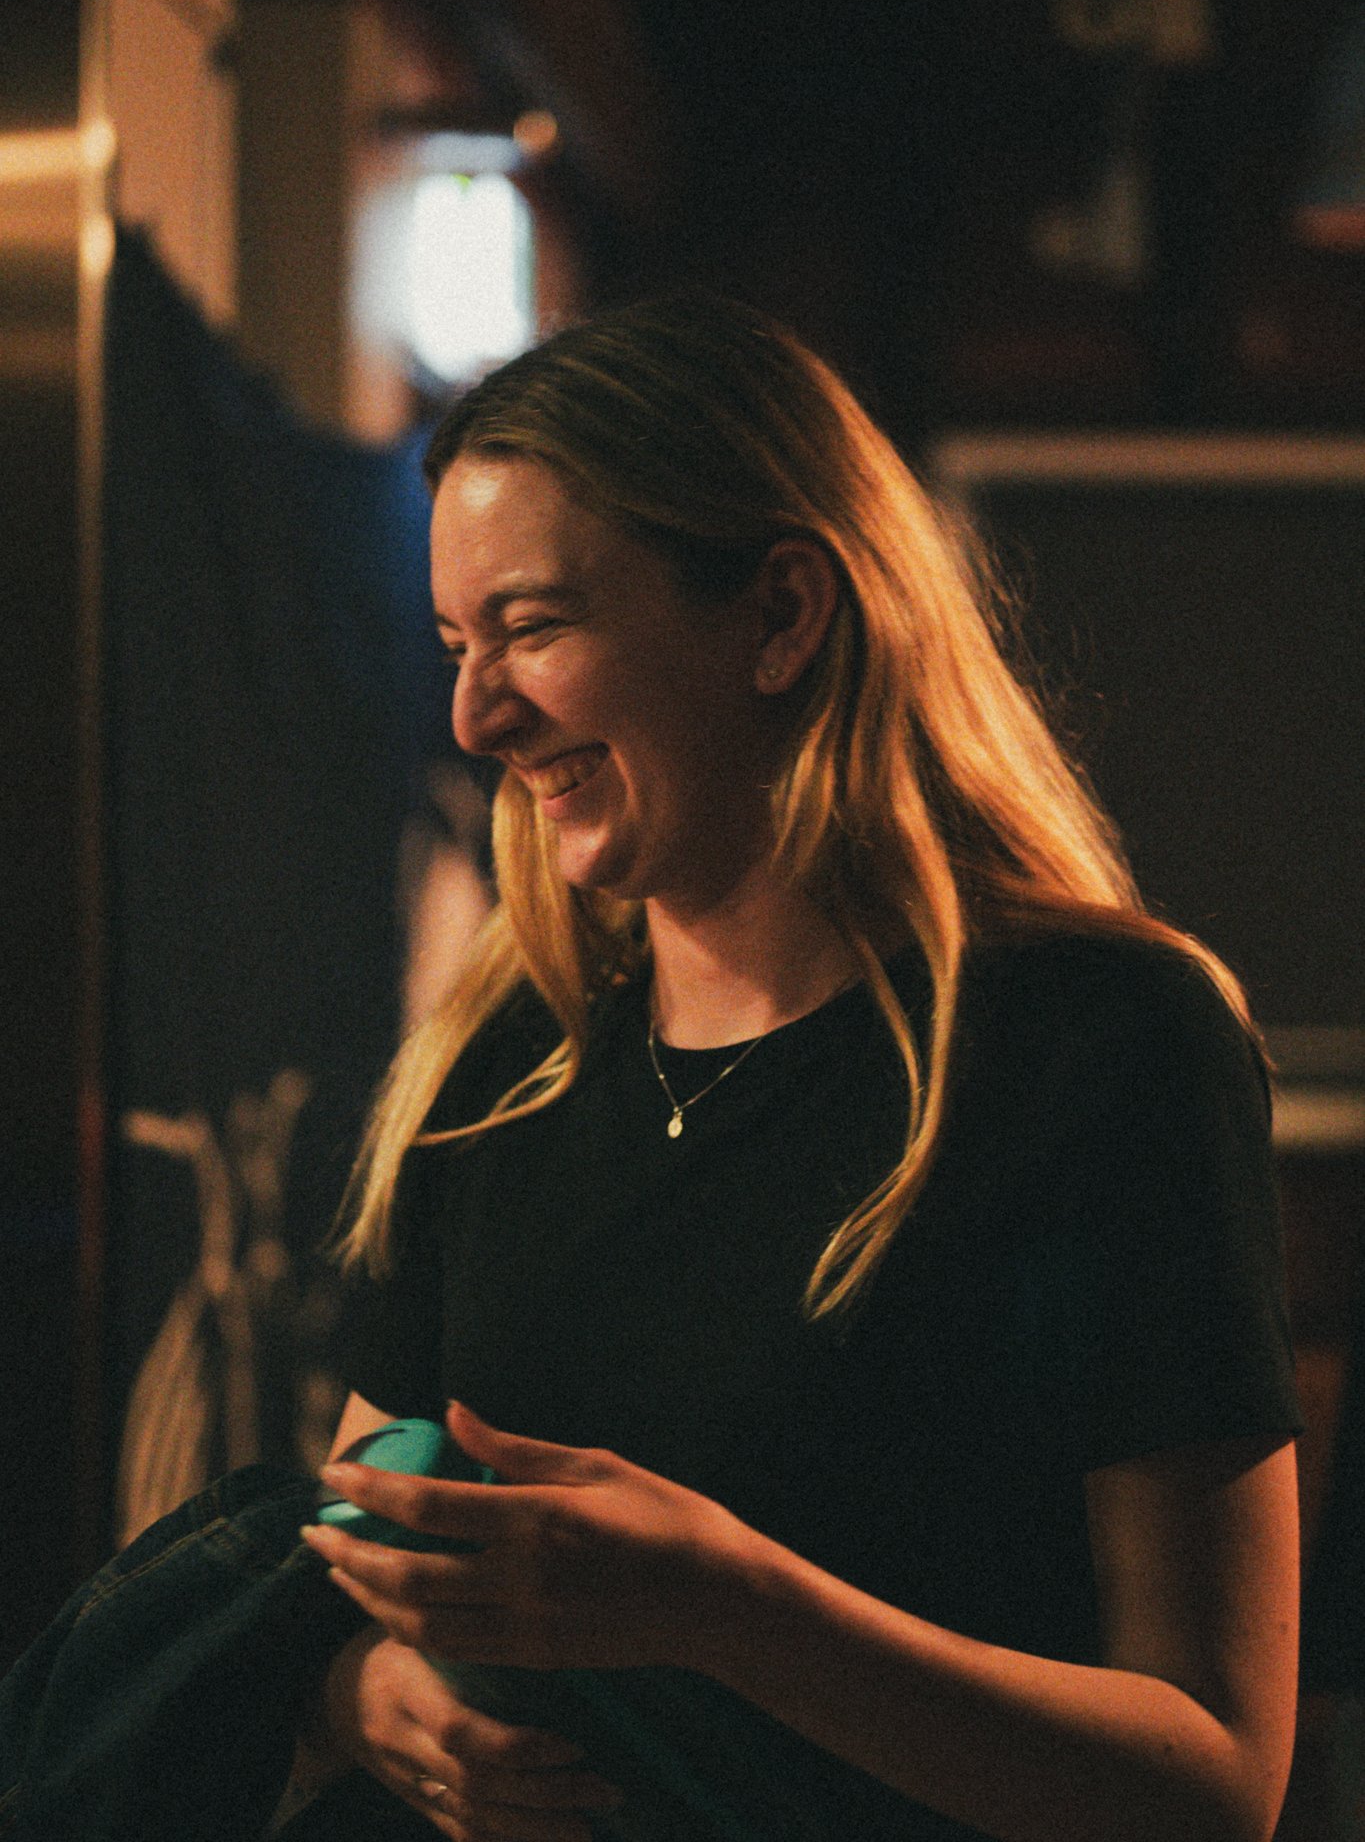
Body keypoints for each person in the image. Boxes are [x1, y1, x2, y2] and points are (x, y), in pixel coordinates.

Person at [291, 294, 1302, 1842]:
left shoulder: (1102, 1044)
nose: (475, 712)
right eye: (454, 642)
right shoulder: (502, 1062)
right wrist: (366, 1692)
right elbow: (353, 1558)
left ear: (779, 614)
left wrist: (732, 1609)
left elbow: (1211, 1782)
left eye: (534, 628)